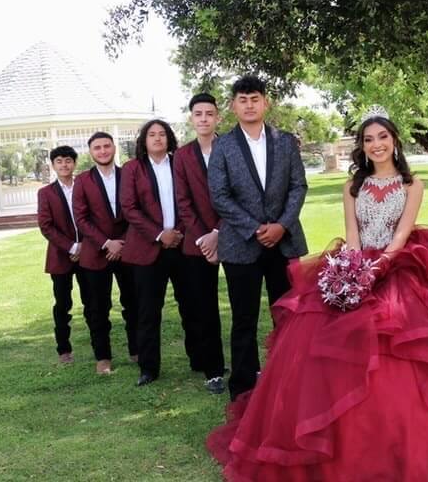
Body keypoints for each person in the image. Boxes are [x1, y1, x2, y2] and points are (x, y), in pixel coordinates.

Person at [207, 108, 428, 481]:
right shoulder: (353, 186)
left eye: (382, 138)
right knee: (320, 337)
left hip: (403, 265)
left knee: (412, 348)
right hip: (358, 264)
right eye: (369, 140)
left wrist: (378, 268)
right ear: (362, 147)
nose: (376, 145)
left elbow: (402, 235)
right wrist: (350, 273)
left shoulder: (411, 184)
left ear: (394, 140)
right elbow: (353, 237)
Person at [208, 75, 308, 400]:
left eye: (255, 99)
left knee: (288, 315)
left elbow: (298, 186)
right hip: (241, 244)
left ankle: (290, 379)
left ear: (266, 102)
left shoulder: (285, 141)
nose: (249, 105)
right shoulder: (222, 146)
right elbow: (219, 195)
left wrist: (281, 224)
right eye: (242, 100)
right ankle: (243, 387)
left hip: (284, 240)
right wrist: (254, 228)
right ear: (233, 106)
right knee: (244, 318)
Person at [120, 119, 187, 387]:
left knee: (192, 306)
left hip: (181, 245)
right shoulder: (132, 168)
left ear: (169, 138)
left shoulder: (181, 164)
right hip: (148, 249)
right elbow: (129, 207)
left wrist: (178, 232)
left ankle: (201, 359)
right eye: (152, 134)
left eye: (162, 134)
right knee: (148, 312)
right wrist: (160, 234)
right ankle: (149, 368)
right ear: (144, 141)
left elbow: (190, 200)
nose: (157, 138)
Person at [174, 93, 227, 394]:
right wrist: (204, 238)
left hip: (233, 235)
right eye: (198, 113)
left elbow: (240, 195)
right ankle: (213, 370)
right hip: (198, 243)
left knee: (243, 306)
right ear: (192, 118)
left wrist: (219, 233)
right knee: (204, 308)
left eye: (209, 113)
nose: (204, 118)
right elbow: (183, 202)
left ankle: (248, 366)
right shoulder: (182, 156)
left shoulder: (232, 146)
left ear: (218, 117)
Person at [72, 131, 137, 375]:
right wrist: (106, 243)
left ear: (114, 148)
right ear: (91, 152)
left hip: (128, 249)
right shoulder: (83, 181)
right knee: (98, 308)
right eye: (97, 148)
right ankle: (103, 357)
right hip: (96, 252)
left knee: (134, 303)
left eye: (106, 146)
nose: (102, 151)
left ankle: (136, 350)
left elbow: (136, 210)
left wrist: (122, 242)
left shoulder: (128, 174)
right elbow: (81, 218)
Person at [36, 145, 88, 364]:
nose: (64, 165)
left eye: (68, 160)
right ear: (54, 165)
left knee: (94, 303)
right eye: (59, 161)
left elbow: (94, 217)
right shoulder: (46, 193)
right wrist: (71, 247)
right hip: (61, 256)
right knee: (62, 304)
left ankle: (101, 351)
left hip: (89, 253)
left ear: (74, 163)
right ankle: (63, 350)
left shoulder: (85, 186)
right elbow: (46, 226)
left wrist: (84, 246)